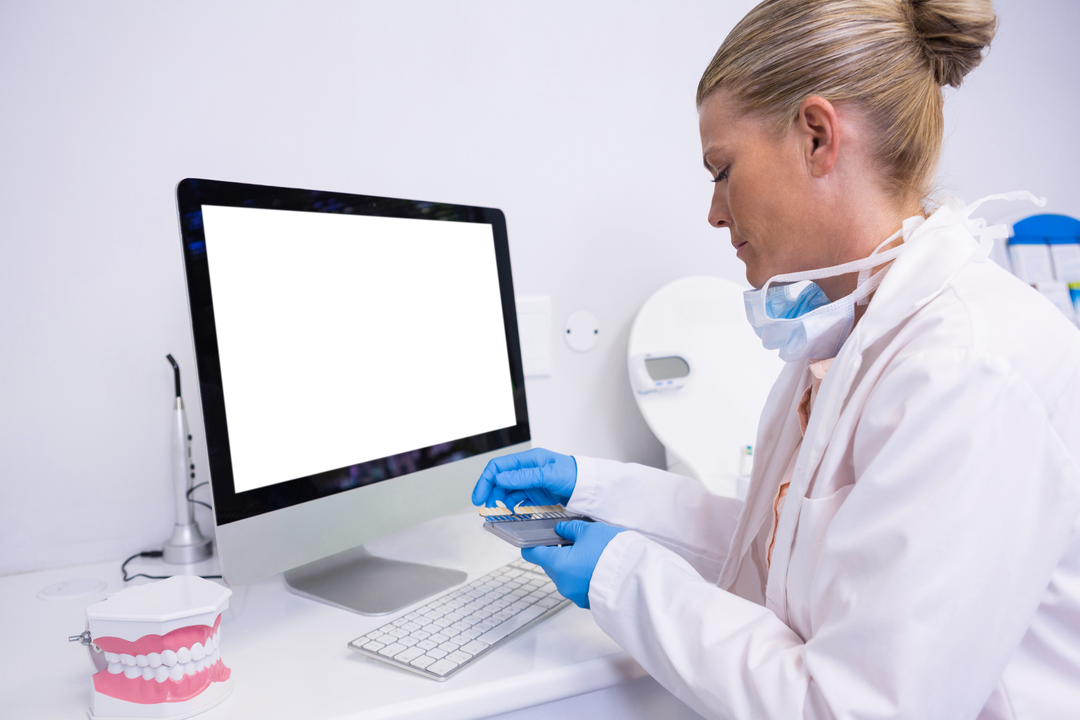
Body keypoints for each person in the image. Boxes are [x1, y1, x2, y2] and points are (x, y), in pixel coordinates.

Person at [472, 0, 1080, 717]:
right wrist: (596, 491)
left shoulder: (969, 369)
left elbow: (854, 707)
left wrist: (622, 574)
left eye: (721, 170)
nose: (714, 212)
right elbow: (780, 555)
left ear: (818, 137)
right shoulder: (845, 334)